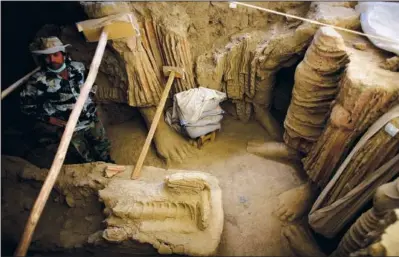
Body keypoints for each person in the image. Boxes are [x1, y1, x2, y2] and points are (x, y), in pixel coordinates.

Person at [20, 36, 114, 163]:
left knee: (102, 146)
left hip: (91, 119)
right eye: (47, 57)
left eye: (55, 55)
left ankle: (108, 163)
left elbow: (91, 84)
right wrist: (50, 119)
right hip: (69, 127)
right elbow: (26, 106)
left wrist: (92, 103)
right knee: (84, 156)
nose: (52, 59)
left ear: (63, 54)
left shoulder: (78, 68)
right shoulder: (39, 81)